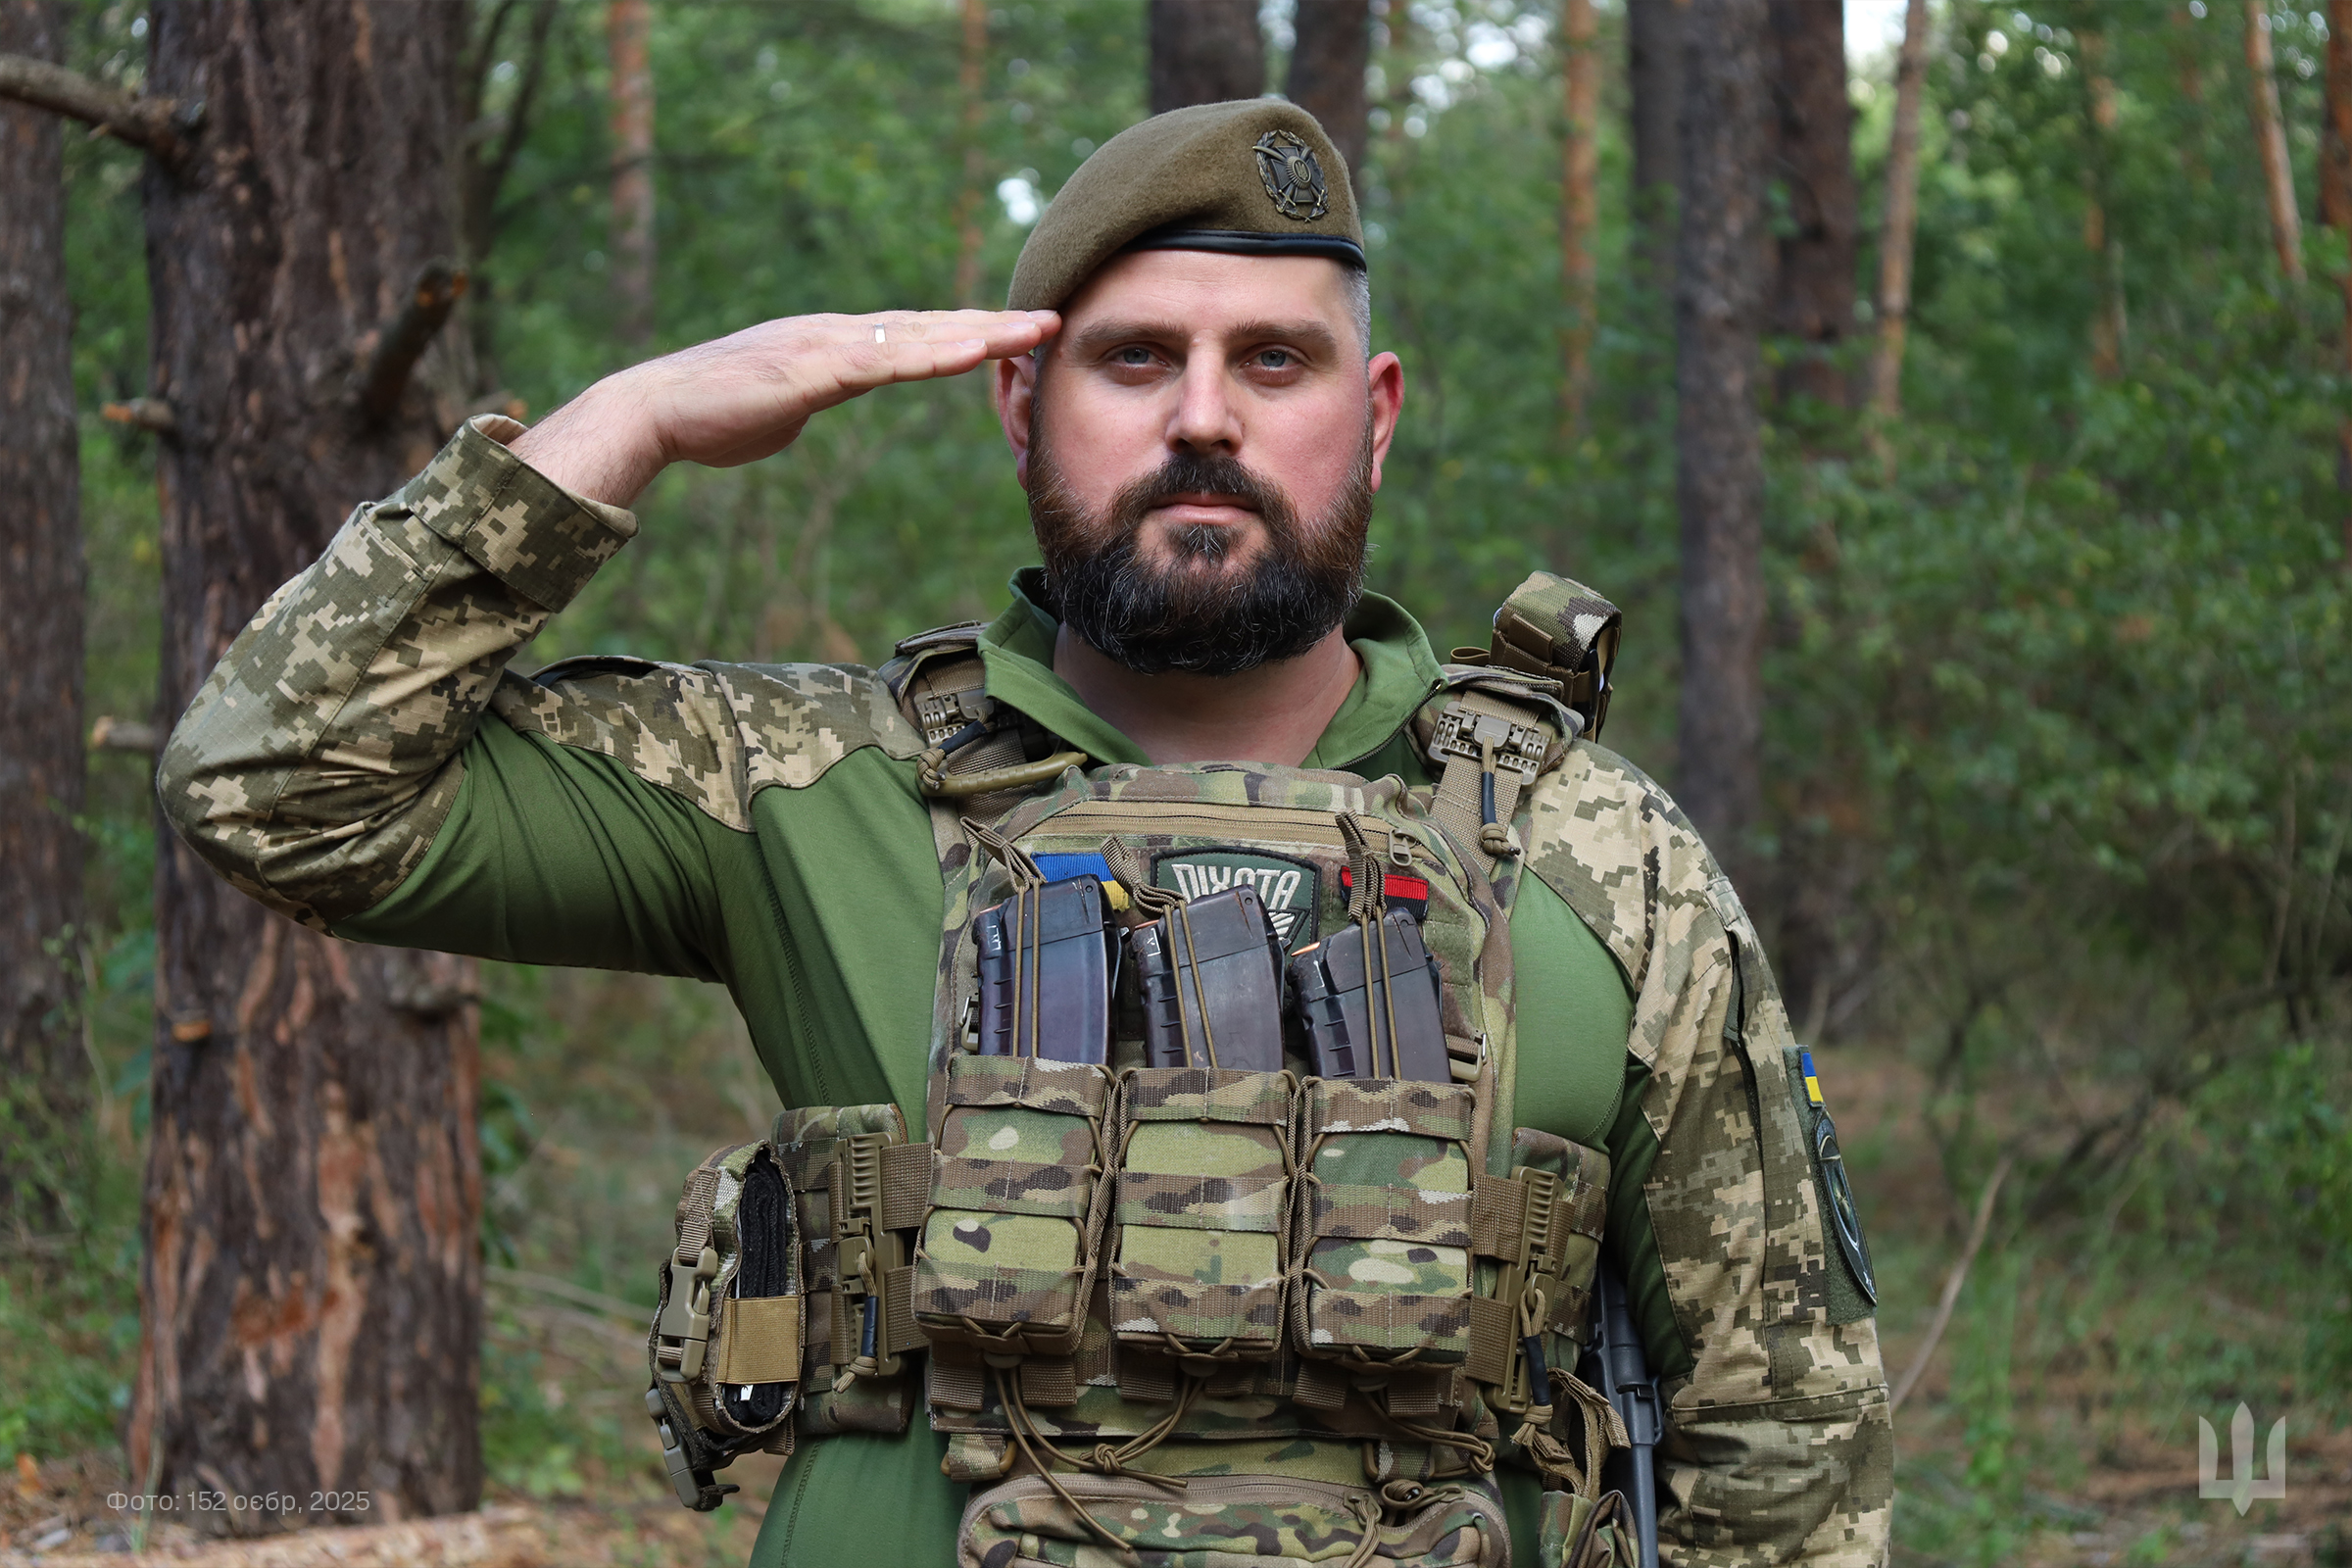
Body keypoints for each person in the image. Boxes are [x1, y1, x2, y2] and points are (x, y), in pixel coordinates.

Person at [159, 101, 1890, 1567]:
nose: (1202, 417)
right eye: (1134, 358)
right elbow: (272, 781)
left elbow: (1788, 1445)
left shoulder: (1602, 851)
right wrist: (630, 422)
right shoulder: (801, 783)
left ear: (1371, 412)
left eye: (1271, 360)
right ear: (1018, 403)